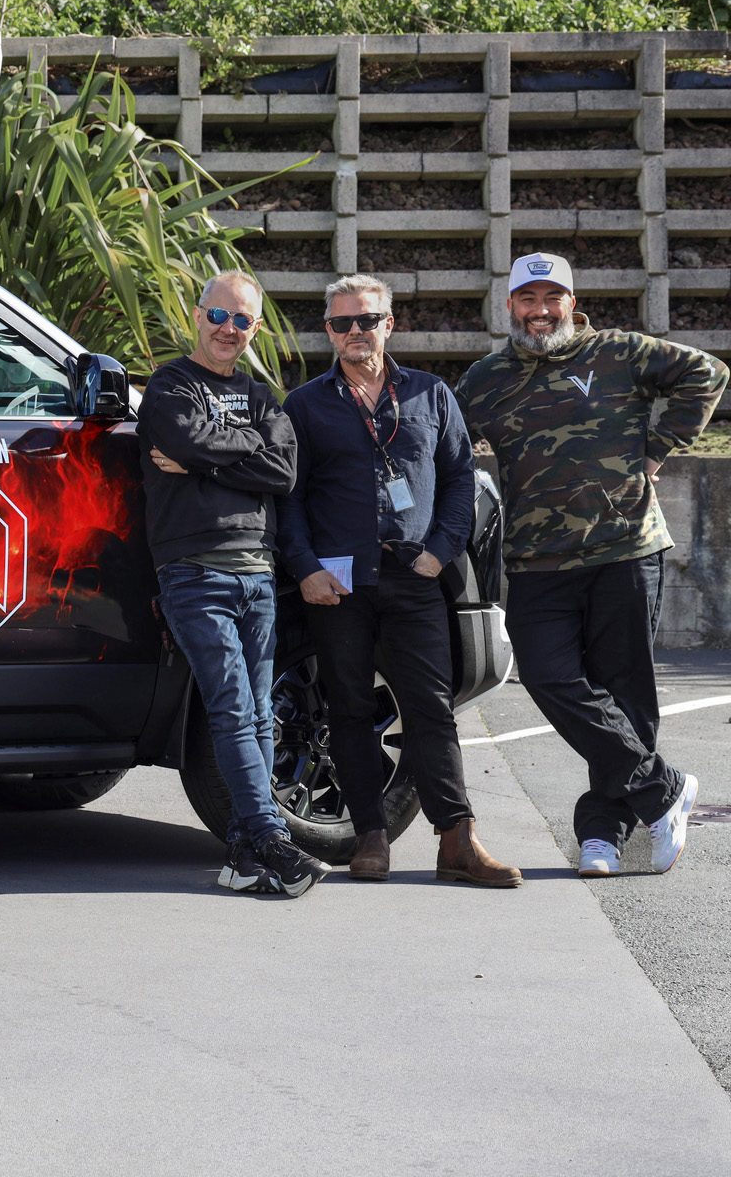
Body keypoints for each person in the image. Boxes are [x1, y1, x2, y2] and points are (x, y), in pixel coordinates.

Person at [458, 253, 726, 877]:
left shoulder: (618, 352)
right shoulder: (486, 379)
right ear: (510, 307)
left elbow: (706, 372)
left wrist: (656, 449)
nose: (541, 310)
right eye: (529, 299)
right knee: (550, 678)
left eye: (553, 298)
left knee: (625, 693)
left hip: (625, 549)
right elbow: (447, 446)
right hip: (536, 561)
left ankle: (602, 833)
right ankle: (663, 790)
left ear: (571, 303)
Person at [279, 274, 520, 886]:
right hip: (339, 585)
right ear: (328, 332)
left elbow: (461, 477)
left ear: (390, 323)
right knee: (352, 709)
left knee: (430, 709)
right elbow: (289, 498)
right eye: (341, 324)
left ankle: (458, 839)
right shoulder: (304, 406)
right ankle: (371, 837)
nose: (354, 333)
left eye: (366, 320)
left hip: (415, 576)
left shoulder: (431, 394)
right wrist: (304, 568)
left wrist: (440, 552)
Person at [138, 270, 330, 897]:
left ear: (255, 329)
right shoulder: (170, 385)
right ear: (198, 316)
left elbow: (284, 467)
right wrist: (236, 452)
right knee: (234, 709)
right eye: (220, 316)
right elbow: (181, 435)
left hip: (258, 571)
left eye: (243, 321)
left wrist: (206, 457)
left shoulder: (262, 395)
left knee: (260, 714)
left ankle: (247, 854)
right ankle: (270, 835)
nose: (230, 330)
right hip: (194, 571)